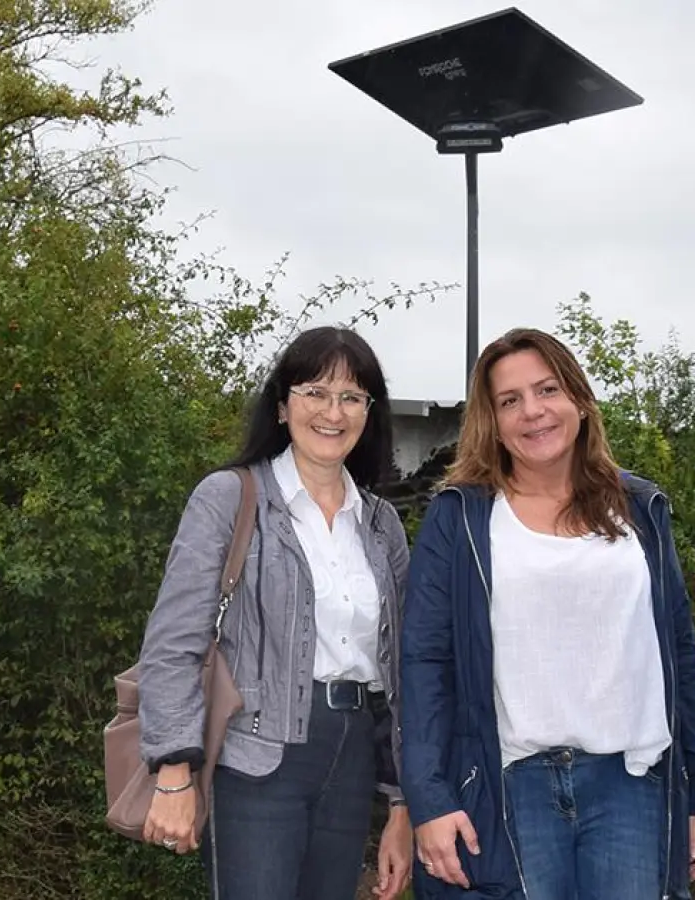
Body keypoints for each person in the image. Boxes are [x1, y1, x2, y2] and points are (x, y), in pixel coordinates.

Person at [398, 327, 695, 900]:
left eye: (547, 390)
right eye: (510, 400)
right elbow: (424, 665)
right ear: (491, 421)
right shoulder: (461, 518)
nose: (533, 412)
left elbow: (680, 655)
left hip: (632, 785)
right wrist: (430, 799)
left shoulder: (641, 511)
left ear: (578, 399)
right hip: (511, 787)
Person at [136, 326, 414, 900]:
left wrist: (403, 800)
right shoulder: (229, 498)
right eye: (315, 391)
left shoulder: (382, 524)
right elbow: (173, 644)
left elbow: (404, 672)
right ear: (283, 405)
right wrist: (172, 768)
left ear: (368, 412)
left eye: (351, 397)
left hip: (352, 759)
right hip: (255, 757)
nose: (332, 411)